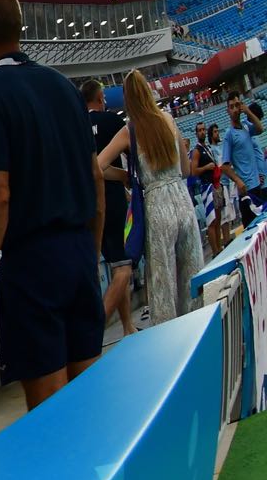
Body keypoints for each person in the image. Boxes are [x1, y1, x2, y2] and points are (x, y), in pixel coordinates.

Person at [0, 0, 103, 411]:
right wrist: (88, 257)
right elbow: (95, 182)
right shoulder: (65, 88)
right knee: (90, 403)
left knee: (52, 416)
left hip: (33, 264)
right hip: (78, 255)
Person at [96, 71, 206, 326]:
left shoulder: (129, 131)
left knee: (162, 283)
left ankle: (170, 340)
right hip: (181, 198)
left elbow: (99, 166)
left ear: (127, 99)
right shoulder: (168, 119)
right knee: (192, 273)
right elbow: (187, 169)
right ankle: (198, 328)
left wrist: (124, 175)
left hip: (156, 203)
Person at [82, 79, 134, 336]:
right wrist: (125, 177)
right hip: (111, 201)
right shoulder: (113, 122)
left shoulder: (75, 126)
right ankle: (96, 327)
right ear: (101, 97)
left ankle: (127, 326)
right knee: (125, 266)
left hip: (85, 206)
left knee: (115, 265)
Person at [219, 92, 266, 225]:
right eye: (232, 106)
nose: (235, 109)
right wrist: (238, 181)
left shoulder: (245, 125)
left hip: (257, 184)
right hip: (247, 190)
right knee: (252, 230)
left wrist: (248, 111)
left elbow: (260, 129)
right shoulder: (229, 135)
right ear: (228, 110)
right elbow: (225, 166)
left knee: (263, 227)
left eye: (237, 105)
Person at [189, 120, 223, 257]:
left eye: (204, 129)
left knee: (218, 217)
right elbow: (193, 171)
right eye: (200, 130)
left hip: (215, 184)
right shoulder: (196, 151)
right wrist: (206, 168)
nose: (202, 132)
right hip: (206, 186)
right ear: (196, 133)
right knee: (211, 220)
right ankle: (215, 251)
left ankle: (220, 247)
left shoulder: (207, 148)